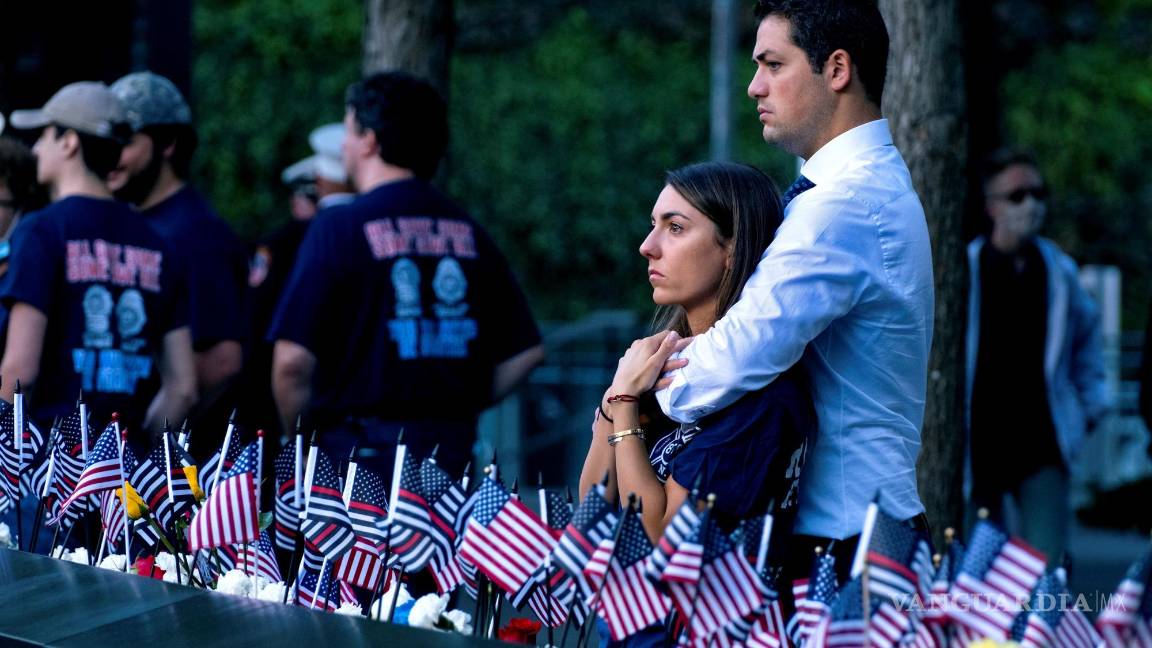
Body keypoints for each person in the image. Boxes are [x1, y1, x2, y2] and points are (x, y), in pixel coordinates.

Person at [629, 0, 934, 583]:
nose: (754, 86)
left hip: (846, 543)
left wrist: (635, 382)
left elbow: (717, 372)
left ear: (837, 69)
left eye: (773, 64)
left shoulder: (842, 205)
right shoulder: (857, 188)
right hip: (859, 529)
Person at [269, 72, 543, 480]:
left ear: (369, 140)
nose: (344, 145)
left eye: (349, 131)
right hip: (449, 464)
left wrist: (302, 444)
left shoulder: (337, 227)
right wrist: (463, 405)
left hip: (357, 469)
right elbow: (526, 353)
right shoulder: (468, 230)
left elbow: (291, 363)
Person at [580, 161, 815, 556]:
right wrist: (615, 399)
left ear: (733, 249)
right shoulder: (657, 366)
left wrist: (623, 403)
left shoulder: (758, 392)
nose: (647, 246)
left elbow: (660, 538)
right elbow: (591, 513)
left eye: (675, 228)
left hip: (710, 595)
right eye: (653, 225)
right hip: (628, 593)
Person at [0, 81, 196, 440]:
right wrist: (135, 448)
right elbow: (183, 388)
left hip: (52, 463)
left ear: (69, 142)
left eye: (44, 135)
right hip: (125, 463)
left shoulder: (42, 231)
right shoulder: (159, 245)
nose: (37, 148)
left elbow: (20, 374)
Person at [966, 148, 1111, 564]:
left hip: (1041, 445)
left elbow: (1088, 342)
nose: (1030, 205)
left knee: (1047, 567)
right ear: (992, 206)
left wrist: (1089, 408)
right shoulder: (967, 268)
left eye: (1037, 193)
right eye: (1017, 195)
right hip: (979, 446)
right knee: (975, 569)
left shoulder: (1058, 271)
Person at [106, 72, 248, 456]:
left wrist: (152, 442)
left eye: (125, 141)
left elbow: (220, 361)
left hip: (181, 470)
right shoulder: (139, 224)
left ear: (168, 143)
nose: (110, 155)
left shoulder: (197, 234)